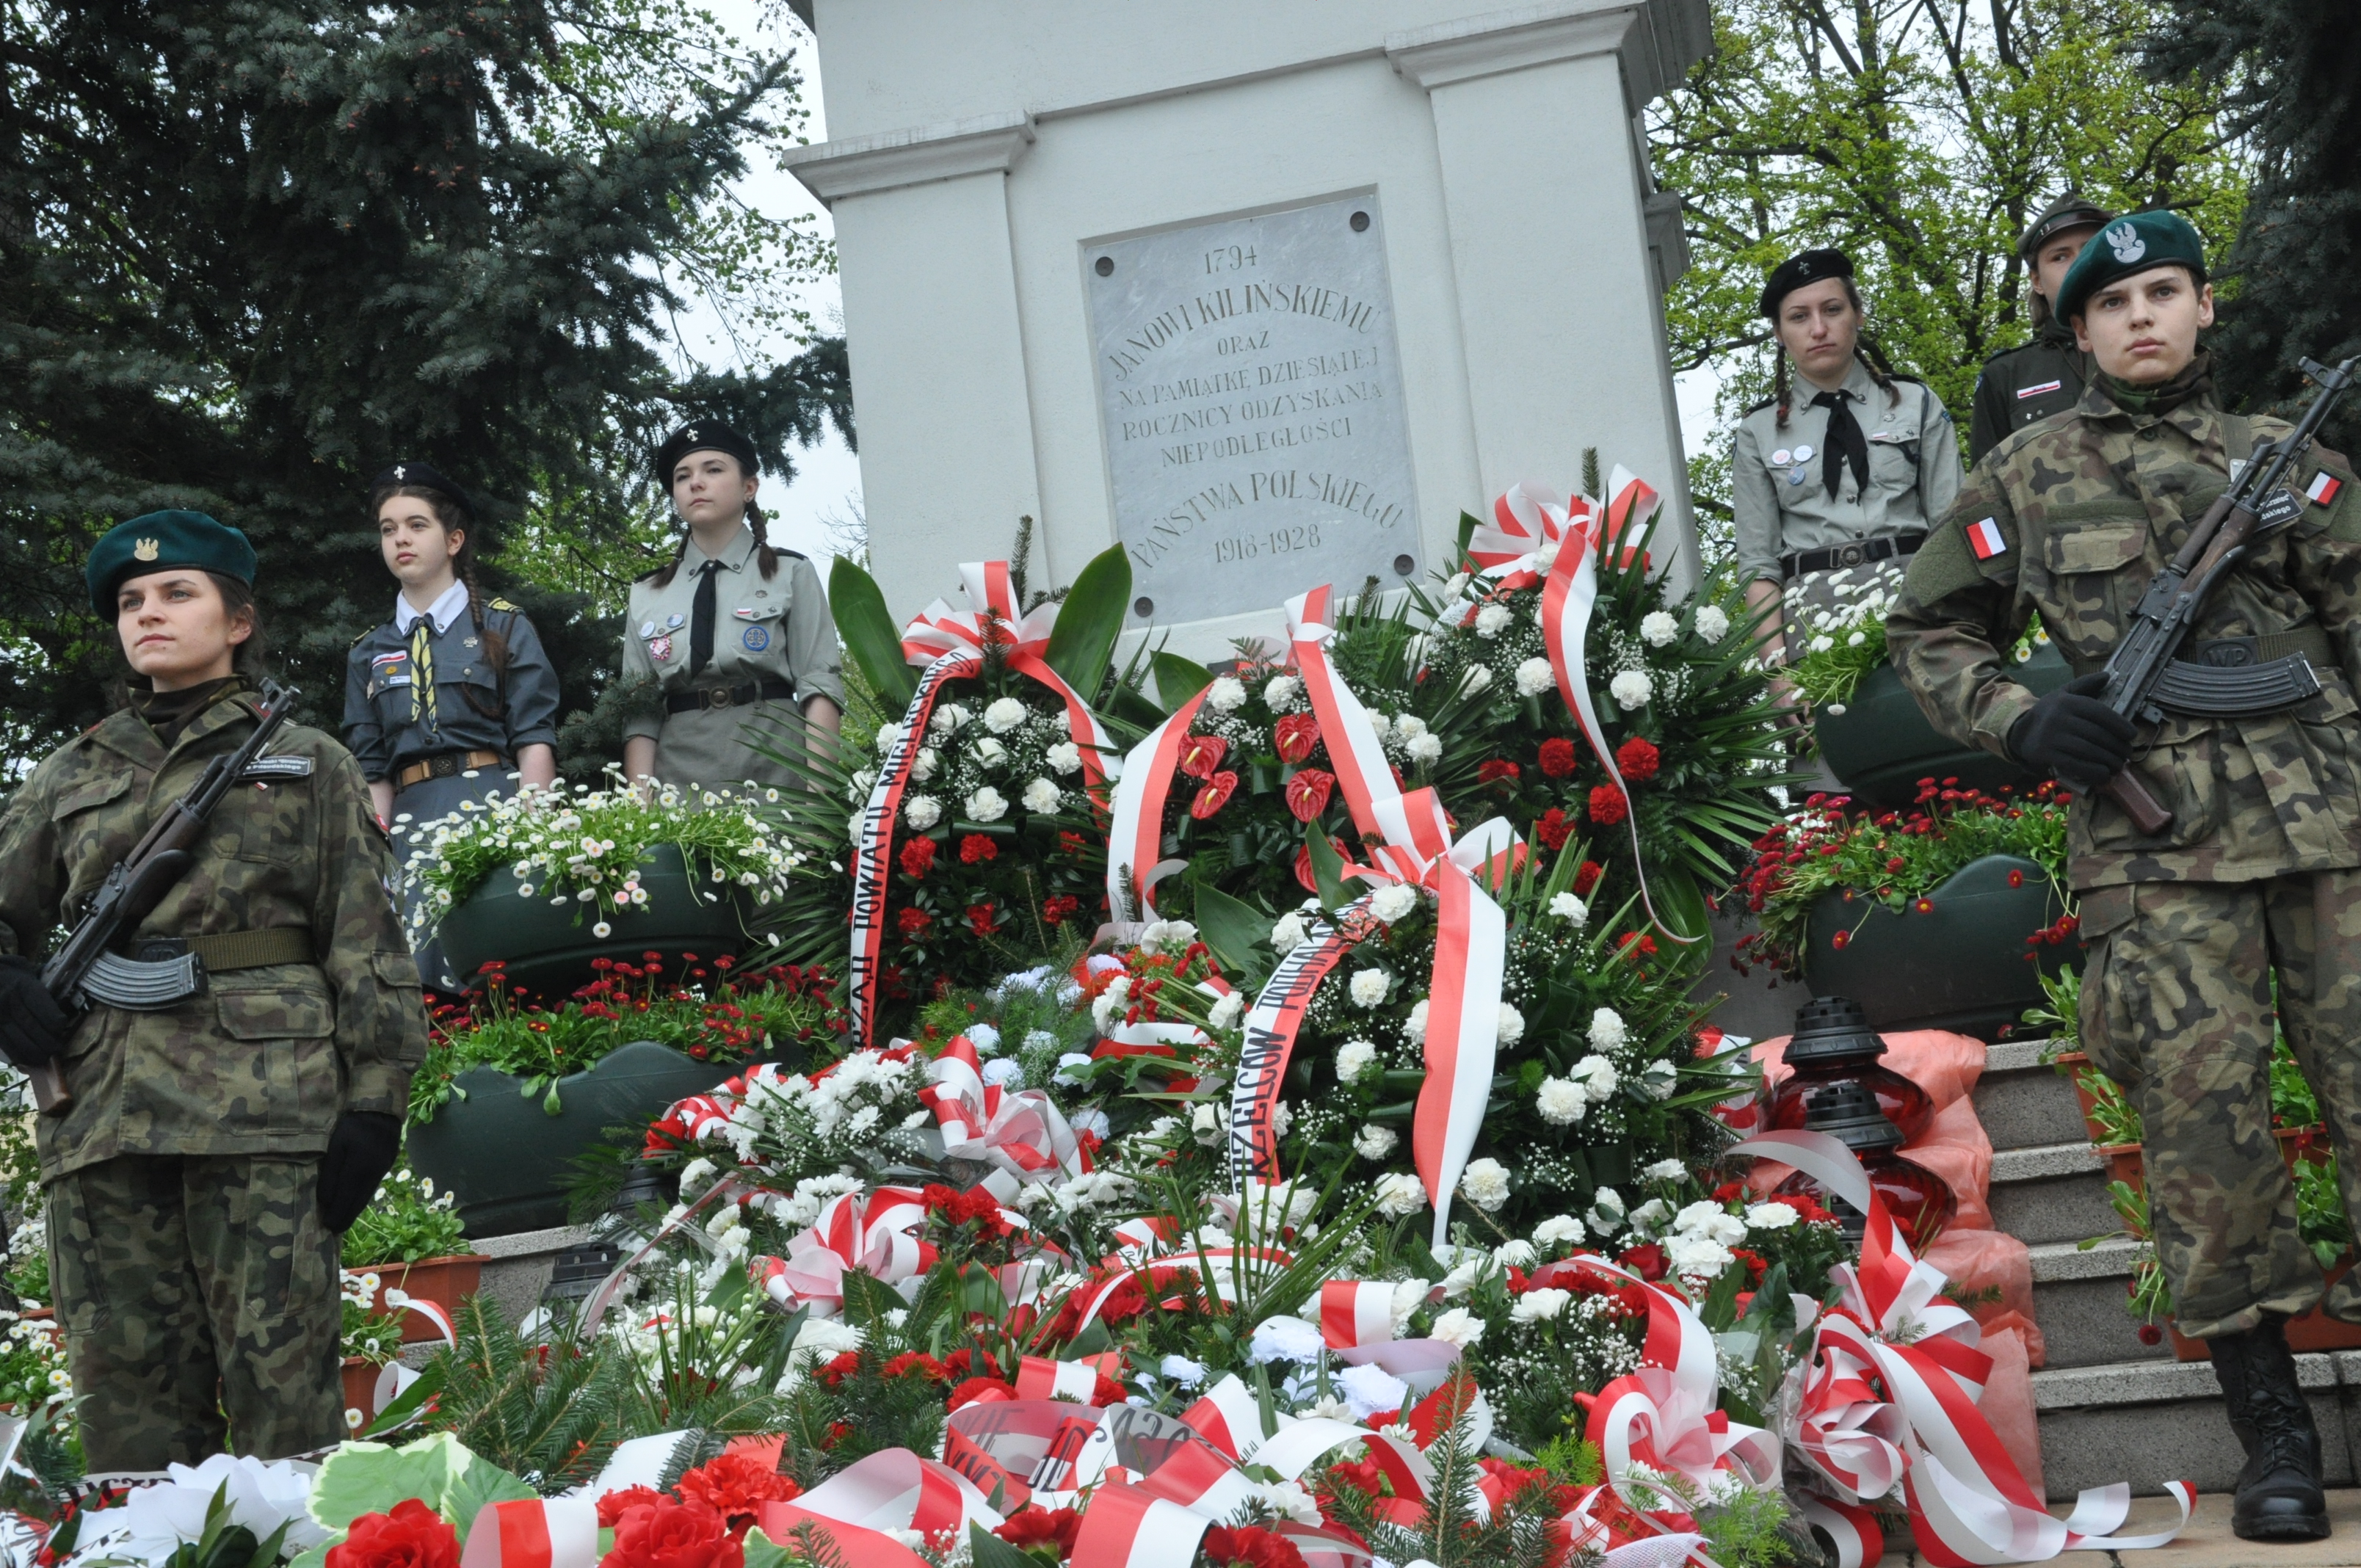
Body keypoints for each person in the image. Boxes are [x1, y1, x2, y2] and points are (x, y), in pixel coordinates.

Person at [1886, 208, 2361, 1543]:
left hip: (2334, 828)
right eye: (2112, 303)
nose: (2142, 316)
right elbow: (1927, 627)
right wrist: (2021, 715)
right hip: (2157, 855)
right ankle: (2271, 1431)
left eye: (2165, 292)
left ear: (2205, 308)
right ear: (2076, 328)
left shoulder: (2291, 459)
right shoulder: (2025, 476)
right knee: (2207, 1146)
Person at [0, 511, 424, 1467]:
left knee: (289, 1419)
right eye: (130, 601)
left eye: (176, 592)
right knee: (130, 1427)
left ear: (237, 619)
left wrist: (376, 1104)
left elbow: (366, 943)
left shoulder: (308, 761)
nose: (148, 613)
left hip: (266, 1114)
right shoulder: (73, 770)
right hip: (104, 1118)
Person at [344, 462, 562, 990]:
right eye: (389, 529)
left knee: (500, 969)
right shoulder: (367, 651)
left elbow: (534, 738)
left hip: (494, 808)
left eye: (417, 525)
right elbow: (372, 768)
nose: (401, 540)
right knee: (417, 977)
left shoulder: (506, 625)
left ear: (454, 538)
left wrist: (536, 836)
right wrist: (378, 860)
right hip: (411, 820)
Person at [1733, 247, 1965, 677]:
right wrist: (1777, 678)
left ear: (1858, 314)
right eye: (1799, 317)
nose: (1818, 328)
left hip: (1918, 601)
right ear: (1779, 333)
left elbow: (1952, 529)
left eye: (1833, 310)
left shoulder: (1916, 402)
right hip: (1812, 618)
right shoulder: (1758, 432)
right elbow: (1759, 567)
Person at [620, 422, 844, 790]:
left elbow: (819, 685)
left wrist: (821, 804)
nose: (696, 483)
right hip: (679, 782)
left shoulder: (790, 573)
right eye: (682, 476)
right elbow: (640, 715)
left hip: (776, 769)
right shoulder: (648, 593)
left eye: (713, 469)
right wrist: (641, 814)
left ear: (749, 488)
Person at [1968, 190, 2115, 463]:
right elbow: (1986, 490)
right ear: (2037, 280)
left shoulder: (2162, 349)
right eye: (2060, 257)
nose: (2080, 263)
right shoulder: (2006, 375)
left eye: (2092, 248)